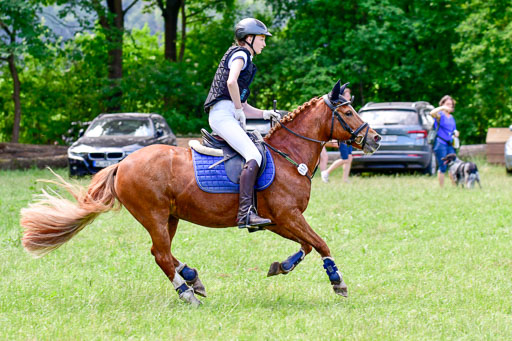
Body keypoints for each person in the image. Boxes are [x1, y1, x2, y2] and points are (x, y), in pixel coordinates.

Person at [203, 18, 280, 229]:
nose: (264, 43)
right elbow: (231, 82)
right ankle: (245, 213)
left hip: (228, 112)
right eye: (262, 39)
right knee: (253, 154)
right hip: (222, 115)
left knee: (255, 150)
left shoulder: (247, 60)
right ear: (249, 38)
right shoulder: (241, 54)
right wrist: (237, 109)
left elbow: (243, 105)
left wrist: (265, 113)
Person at [320, 88, 353, 183]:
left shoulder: (349, 107)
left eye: (349, 95)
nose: (349, 97)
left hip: (349, 137)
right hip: (343, 138)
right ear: (342, 97)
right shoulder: (340, 109)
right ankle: (326, 172)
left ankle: (345, 179)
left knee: (350, 158)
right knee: (345, 159)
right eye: (347, 95)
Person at [429, 95, 459, 187]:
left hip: (450, 144)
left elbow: (453, 129)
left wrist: (456, 132)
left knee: (453, 165)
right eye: (447, 104)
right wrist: (442, 108)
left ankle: (455, 186)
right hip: (440, 143)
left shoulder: (451, 117)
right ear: (442, 104)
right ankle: (441, 187)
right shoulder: (440, 115)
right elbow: (432, 113)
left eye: (451, 104)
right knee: (443, 166)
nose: (449, 106)